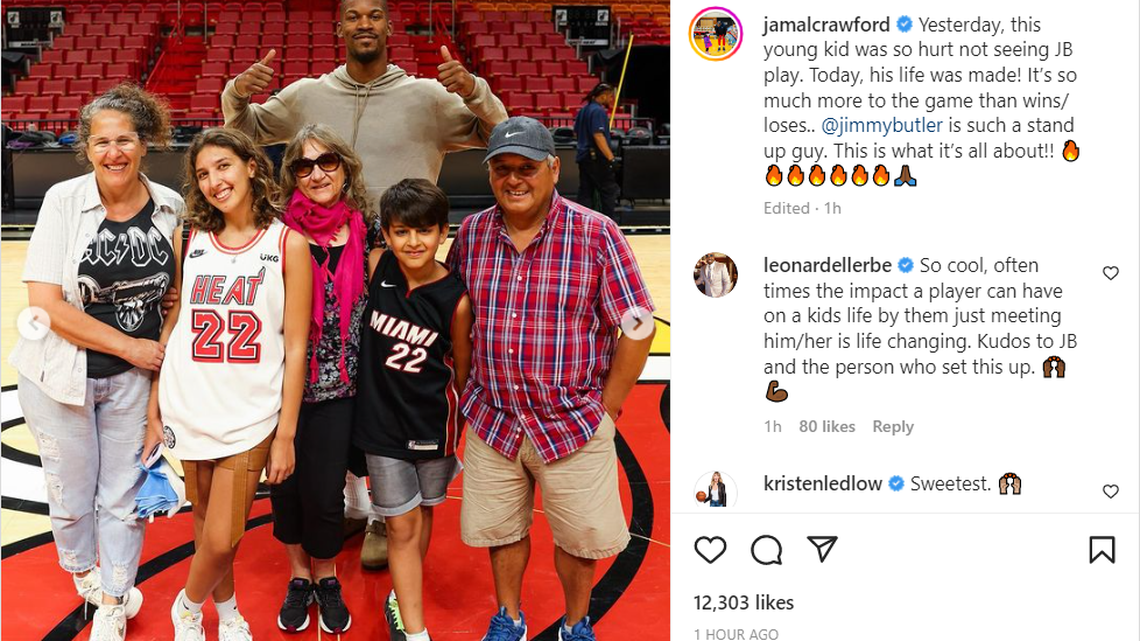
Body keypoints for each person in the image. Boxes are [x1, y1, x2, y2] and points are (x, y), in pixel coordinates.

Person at [221, 0, 507, 567]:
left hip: (399, 247)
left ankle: (383, 512)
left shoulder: (427, 96)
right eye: (353, 16)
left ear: (389, 25)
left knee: (389, 375)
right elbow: (247, 131)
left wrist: (475, 90)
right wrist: (236, 92)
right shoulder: (306, 94)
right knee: (332, 367)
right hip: (323, 242)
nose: (364, 24)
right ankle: (350, 498)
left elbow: (495, 134)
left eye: (374, 15)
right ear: (340, 27)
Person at [447, 117, 655, 641]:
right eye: (502, 170)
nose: (514, 180)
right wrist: (468, 391)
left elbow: (638, 325)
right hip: (494, 421)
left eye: (527, 168)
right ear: (489, 173)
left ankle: (576, 622)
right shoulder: (472, 233)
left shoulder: (596, 233)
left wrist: (608, 405)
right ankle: (509, 617)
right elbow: (456, 314)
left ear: (553, 169)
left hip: (571, 421)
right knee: (502, 530)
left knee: (580, 539)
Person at [9, 83, 180, 641]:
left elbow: (172, 295)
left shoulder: (172, 206)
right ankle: (84, 570)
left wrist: (158, 338)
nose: (114, 153)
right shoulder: (63, 200)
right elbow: (46, 304)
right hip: (60, 376)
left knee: (123, 496)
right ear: (86, 148)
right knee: (71, 493)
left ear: (145, 142)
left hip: (133, 383)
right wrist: (131, 345)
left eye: (125, 140)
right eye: (102, 142)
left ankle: (112, 597)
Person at [154, 128, 312, 641]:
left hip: (252, 411)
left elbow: (294, 346)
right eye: (203, 174)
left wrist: (286, 432)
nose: (214, 181)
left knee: (223, 536)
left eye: (223, 166)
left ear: (250, 166)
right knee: (205, 523)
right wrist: (155, 403)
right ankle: (227, 614)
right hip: (190, 400)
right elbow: (174, 322)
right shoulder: (190, 239)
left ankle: (186, 605)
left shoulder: (289, 244)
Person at [355, 178, 473, 641]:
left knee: (422, 514)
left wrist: (460, 427)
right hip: (381, 425)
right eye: (402, 231)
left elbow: (460, 373)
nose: (413, 242)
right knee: (400, 524)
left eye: (425, 232)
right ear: (386, 233)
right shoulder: (377, 265)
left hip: (433, 427)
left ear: (443, 232)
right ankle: (416, 629)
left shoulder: (456, 299)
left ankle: (401, 594)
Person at [270, 124, 376, 634]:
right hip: (278, 385)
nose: (316, 173)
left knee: (326, 488)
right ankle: (298, 577)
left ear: (345, 167)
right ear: (291, 176)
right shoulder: (277, 232)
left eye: (326, 161)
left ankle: (327, 578)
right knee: (284, 489)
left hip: (341, 390)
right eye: (303, 166)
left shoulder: (366, 228)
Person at [573, 83, 620, 223]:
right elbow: (598, 136)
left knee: (586, 192)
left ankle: (581, 224)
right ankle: (609, 225)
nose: (612, 99)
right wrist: (611, 159)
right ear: (603, 95)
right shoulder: (598, 111)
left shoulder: (583, 110)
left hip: (583, 156)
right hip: (596, 158)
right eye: (611, 96)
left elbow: (576, 133)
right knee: (608, 190)